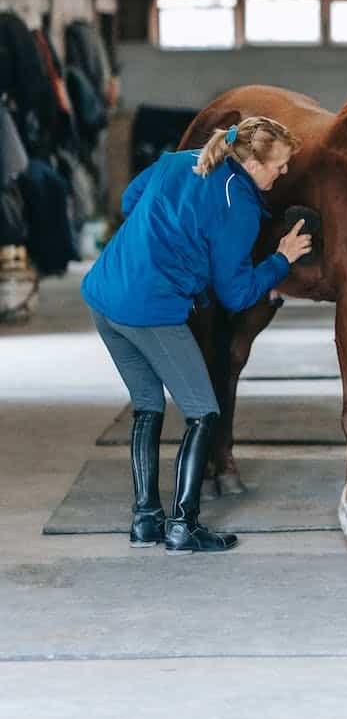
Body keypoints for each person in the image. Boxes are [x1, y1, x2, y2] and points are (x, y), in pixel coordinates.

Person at [81, 117, 312, 554]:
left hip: (103, 294)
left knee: (147, 406)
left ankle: (146, 521)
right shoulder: (239, 208)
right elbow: (237, 293)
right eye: (280, 165)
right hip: (149, 308)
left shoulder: (180, 160)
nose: (284, 173)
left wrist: (166, 238)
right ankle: (184, 526)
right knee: (204, 411)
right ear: (254, 162)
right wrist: (281, 259)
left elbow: (133, 200)